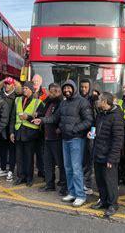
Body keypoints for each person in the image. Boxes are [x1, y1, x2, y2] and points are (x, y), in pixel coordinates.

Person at [33, 80, 93, 208]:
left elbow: (88, 121)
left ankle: (80, 195)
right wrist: (42, 120)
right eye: (65, 88)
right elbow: (55, 118)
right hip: (65, 139)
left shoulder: (82, 102)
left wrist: (74, 129)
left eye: (69, 88)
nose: (66, 90)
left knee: (76, 168)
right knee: (68, 167)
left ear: (74, 88)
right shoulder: (64, 103)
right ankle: (72, 192)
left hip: (77, 139)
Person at [88, 92, 124, 217]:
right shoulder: (101, 114)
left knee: (110, 181)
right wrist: (91, 134)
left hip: (108, 156)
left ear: (105, 102)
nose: (97, 101)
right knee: (100, 180)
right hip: (98, 152)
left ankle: (113, 204)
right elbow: (96, 129)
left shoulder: (116, 116)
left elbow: (118, 140)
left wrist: (112, 158)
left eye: (99, 100)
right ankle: (103, 200)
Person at [10, 81, 43, 187]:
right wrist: (11, 132)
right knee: (19, 157)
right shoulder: (17, 100)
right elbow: (13, 117)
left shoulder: (38, 102)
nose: (24, 90)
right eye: (23, 88)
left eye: (26, 88)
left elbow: (40, 117)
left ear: (31, 90)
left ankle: (29, 178)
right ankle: (21, 176)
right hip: (19, 132)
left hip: (30, 134)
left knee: (29, 157)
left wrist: (28, 117)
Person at [36, 83, 67, 196]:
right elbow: (44, 114)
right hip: (47, 136)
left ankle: (64, 186)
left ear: (58, 92)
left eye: (52, 92)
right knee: (48, 163)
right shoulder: (49, 102)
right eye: (49, 91)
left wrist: (43, 119)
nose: (50, 93)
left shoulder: (61, 103)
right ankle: (49, 184)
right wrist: (37, 115)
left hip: (57, 138)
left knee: (61, 164)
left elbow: (56, 118)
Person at [79, 78, 99, 194]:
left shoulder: (94, 100)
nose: (83, 89)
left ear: (90, 88)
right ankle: (81, 183)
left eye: (86, 87)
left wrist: (93, 131)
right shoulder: (79, 99)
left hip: (90, 134)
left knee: (88, 160)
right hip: (80, 132)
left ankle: (87, 184)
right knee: (81, 159)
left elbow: (97, 118)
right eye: (82, 87)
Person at [0, 77, 18, 182]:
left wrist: (12, 130)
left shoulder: (16, 97)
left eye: (9, 84)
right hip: (1, 127)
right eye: (5, 83)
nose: (7, 85)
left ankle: (10, 170)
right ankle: (2, 168)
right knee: (2, 149)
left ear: (13, 85)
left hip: (12, 127)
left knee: (12, 150)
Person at [32, 74, 47, 179]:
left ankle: (41, 170)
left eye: (37, 81)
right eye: (34, 81)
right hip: (29, 127)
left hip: (41, 128)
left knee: (41, 152)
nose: (35, 83)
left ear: (41, 82)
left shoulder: (45, 95)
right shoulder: (28, 93)